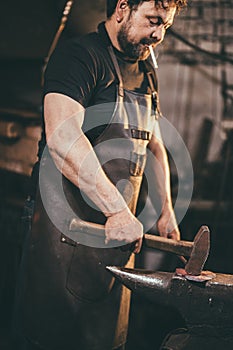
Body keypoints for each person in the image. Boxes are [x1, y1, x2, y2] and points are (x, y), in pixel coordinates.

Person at [13, 1, 187, 349]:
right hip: (62, 236)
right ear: (123, 8)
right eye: (153, 21)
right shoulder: (79, 57)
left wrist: (165, 209)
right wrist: (118, 210)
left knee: (105, 339)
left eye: (165, 25)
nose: (158, 34)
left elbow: (152, 146)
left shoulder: (146, 72)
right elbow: (63, 138)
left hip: (116, 243)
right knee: (50, 339)